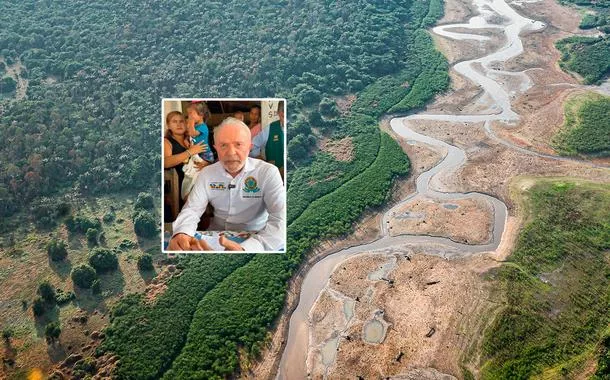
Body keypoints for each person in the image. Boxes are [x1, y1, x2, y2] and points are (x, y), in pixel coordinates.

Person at [168, 117, 285, 252]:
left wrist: (247, 249)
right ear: (215, 147)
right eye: (223, 145)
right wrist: (181, 233)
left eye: (238, 144)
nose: (230, 153)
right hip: (215, 237)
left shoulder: (268, 172)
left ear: (249, 146)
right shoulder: (207, 173)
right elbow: (192, 209)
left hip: (258, 237)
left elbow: (280, 218)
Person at [250, 101, 284, 173]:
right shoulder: (270, 128)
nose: (285, 120)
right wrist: (264, 163)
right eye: (283, 116)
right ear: (278, 113)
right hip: (274, 174)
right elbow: (252, 145)